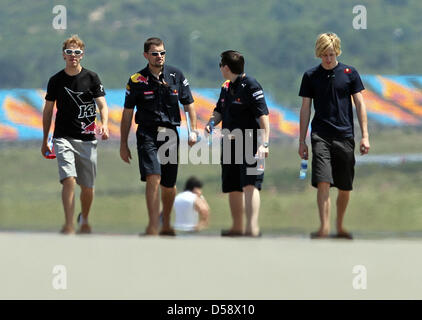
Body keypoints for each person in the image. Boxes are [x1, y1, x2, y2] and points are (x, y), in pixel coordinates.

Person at [120, 37, 198, 236]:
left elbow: (189, 104)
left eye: (162, 53)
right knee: (153, 176)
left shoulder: (176, 75)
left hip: (170, 134)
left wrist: (193, 130)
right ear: (146, 55)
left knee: (169, 185)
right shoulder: (136, 80)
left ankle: (166, 223)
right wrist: (123, 143)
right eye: (155, 53)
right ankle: (152, 224)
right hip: (147, 133)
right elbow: (127, 113)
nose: (159, 57)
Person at [298, 32, 370, 239]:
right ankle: (324, 228)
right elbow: (305, 108)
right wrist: (302, 140)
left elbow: (359, 104)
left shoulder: (350, 73)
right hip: (320, 134)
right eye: (324, 55)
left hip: (345, 135)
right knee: (323, 181)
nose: (328, 59)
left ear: (336, 52)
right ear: (319, 54)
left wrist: (365, 135)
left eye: (331, 54)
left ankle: (340, 226)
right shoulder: (311, 76)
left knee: (345, 186)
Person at [41, 34, 109, 235]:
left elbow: (102, 105)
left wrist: (104, 124)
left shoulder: (92, 77)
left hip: (87, 139)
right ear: (63, 55)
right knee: (69, 179)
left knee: (87, 187)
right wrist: (45, 140)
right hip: (63, 137)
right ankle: (69, 223)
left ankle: (84, 219)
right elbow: (48, 111)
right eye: (69, 52)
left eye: (77, 52)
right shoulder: (56, 80)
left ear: (82, 55)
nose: (73, 55)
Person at [205, 50, 270, 237]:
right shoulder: (226, 87)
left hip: (251, 141)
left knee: (250, 184)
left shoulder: (251, 85)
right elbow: (219, 110)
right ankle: (237, 226)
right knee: (232, 186)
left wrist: (264, 143)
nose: (220, 69)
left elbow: (263, 116)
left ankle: (252, 227)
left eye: (220, 65)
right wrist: (211, 123)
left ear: (226, 67)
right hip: (230, 142)